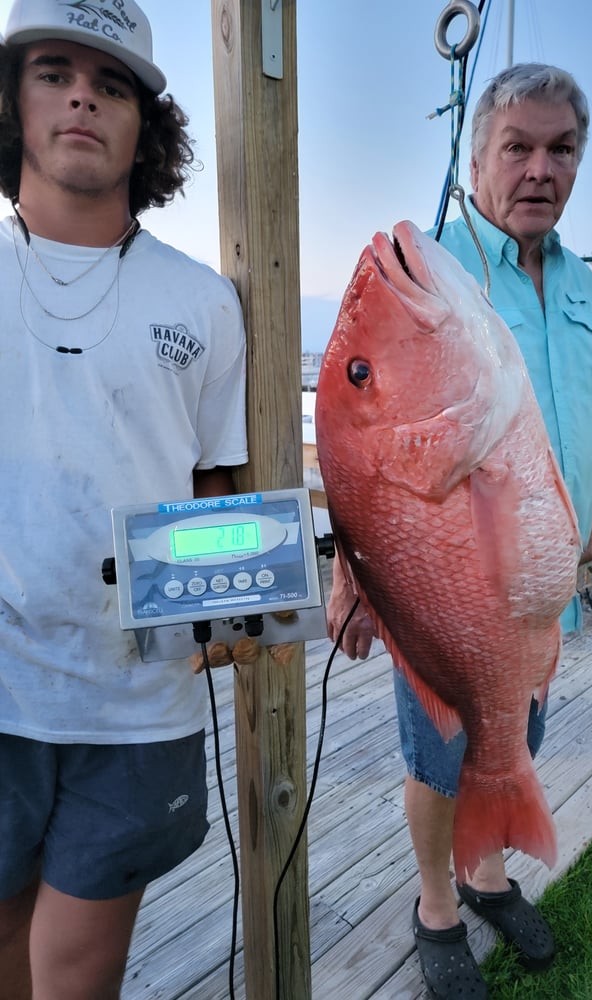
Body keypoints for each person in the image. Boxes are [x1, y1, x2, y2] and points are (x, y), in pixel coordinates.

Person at [326, 63, 592, 998]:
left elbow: (589, 415)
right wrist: (356, 577)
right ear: (477, 154)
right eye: (518, 147)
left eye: (561, 149)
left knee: (514, 733)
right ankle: (437, 905)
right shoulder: (441, 265)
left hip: (540, 586)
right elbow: (371, 461)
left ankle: (488, 875)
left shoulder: (583, 283)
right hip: (451, 583)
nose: (541, 169)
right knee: (438, 753)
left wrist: (589, 530)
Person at [0, 2, 247, 997]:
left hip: (140, 702)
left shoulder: (203, 299)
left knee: (73, 966)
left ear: (148, 125)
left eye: (112, 85)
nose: (81, 97)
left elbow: (216, 484)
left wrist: (239, 593)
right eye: (54, 71)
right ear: (13, 100)